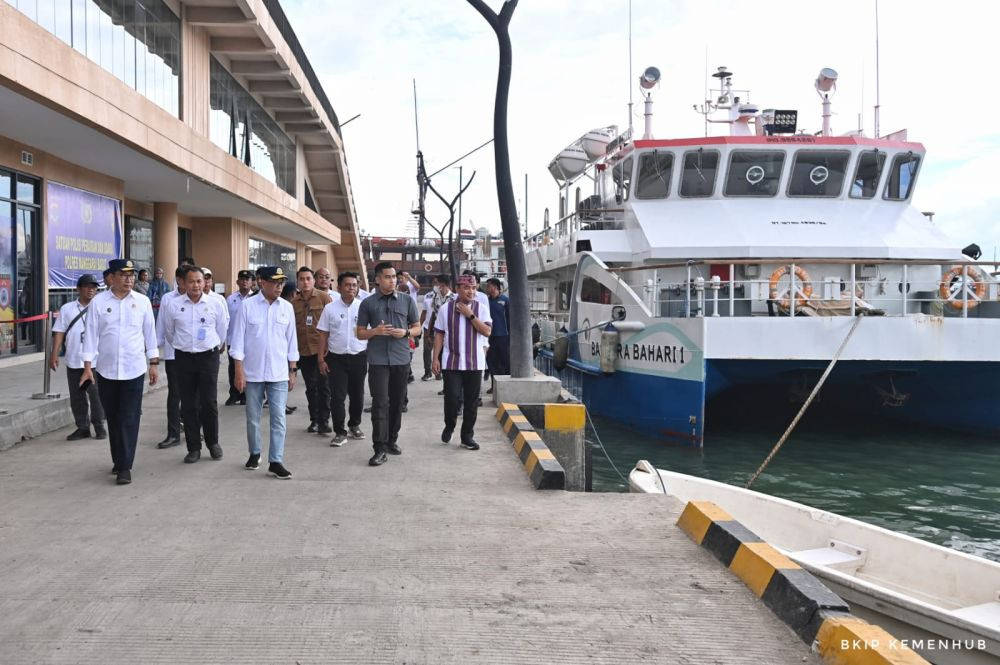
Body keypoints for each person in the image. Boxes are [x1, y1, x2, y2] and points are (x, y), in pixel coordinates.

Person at [79, 259, 159, 485]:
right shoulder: (98, 303)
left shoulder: (142, 302)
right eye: (123, 275)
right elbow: (91, 336)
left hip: (134, 370)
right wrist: (87, 367)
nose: (129, 279)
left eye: (131, 275)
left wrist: (153, 363)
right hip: (106, 371)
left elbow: (150, 334)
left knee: (130, 418)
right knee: (113, 417)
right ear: (110, 278)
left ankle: (125, 466)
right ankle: (119, 459)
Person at [229, 266, 298, 479]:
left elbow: (291, 341)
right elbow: (238, 340)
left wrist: (293, 370)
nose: (279, 286)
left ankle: (275, 461)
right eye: (275, 282)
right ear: (262, 282)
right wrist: (238, 371)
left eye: (282, 282)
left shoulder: (286, 308)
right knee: (253, 417)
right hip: (253, 372)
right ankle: (255, 452)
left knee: (278, 418)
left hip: (278, 372)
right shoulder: (247, 306)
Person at [161, 266, 229, 464]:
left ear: (205, 282)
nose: (196, 285)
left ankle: (213, 443)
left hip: (208, 357)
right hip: (184, 358)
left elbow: (222, 330)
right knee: (188, 404)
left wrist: (213, 346)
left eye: (200, 281)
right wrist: (184, 346)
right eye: (192, 281)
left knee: (209, 402)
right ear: (183, 283)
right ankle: (193, 448)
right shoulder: (174, 305)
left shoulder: (215, 303)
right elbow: (169, 332)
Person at [356, 261, 420, 467]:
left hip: (401, 359)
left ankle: (392, 440)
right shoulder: (367, 304)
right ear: (377, 279)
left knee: (397, 403)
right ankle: (379, 448)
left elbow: (417, 327)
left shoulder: (407, 301)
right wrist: (375, 331)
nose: (392, 280)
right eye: (387, 277)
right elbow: (359, 333)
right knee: (380, 403)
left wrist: (406, 332)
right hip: (378, 361)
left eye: (394, 277)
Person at [433, 274, 492, 450]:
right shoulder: (445, 309)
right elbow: (439, 334)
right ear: (457, 289)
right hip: (451, 362)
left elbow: (487, 331)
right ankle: (449, 425)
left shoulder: (481, 308)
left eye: (474, 288)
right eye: (467, 288)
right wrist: (435, 358)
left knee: (471, 402)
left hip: (475, 363)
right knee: (451, 399)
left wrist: (470, 315)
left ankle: (467, 436)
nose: (471, 291)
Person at [50, 273, 106, 441]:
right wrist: (54, 354)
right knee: (77, 396)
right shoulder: (67, 309)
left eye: (94, 287)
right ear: (78, 289)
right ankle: (82, 427)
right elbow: (59, 332)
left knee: (96, 395)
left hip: (95, 359)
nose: (91, 290)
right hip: (74, 358)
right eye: (88, 287)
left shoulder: (100, 307)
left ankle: (99, 426)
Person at [317, 271, 367, 447]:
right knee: (337, 397)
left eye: (354, 285)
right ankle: (340, 432)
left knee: (357, 394)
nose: (351, 288)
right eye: (347, 285)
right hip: (336, 358)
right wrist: (320, 359)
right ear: (339, 287)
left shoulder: (363, 307)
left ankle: (355, 425)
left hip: (358, 357)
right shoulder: (330, 308)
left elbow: (370, 332)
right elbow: (323, 334)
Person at [292, 267, 333, 434]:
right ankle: (314, 420)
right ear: (298, 282)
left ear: (314, 280)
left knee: (324, 386)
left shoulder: (324, 298)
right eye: (302, 279)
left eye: (308, 278)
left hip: (322, 350)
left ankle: (324, 421)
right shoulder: (293, 303)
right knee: (311, 387)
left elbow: (332, 323)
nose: (305, 282)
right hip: (304, 351)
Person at [154, 264, 189, 448]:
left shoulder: (199, 298)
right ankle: (173, 433)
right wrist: (155, 348)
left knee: (193, 396)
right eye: (186, 281)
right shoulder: (168, 299)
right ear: (178, 281)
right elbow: (161, 324)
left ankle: (194, 431)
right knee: (174, 395)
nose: (191, 285)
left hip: (194, 355)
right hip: (173, 355)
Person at [225, 269, 254, 405]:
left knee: (247, 368)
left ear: (251, 282)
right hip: (233, 339)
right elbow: (225, 321)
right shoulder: (230, 299)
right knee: (233, 368)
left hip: (250, 340)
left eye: (247, 279)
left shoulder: (255, 299)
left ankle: (246, 395)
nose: (244, 282)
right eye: (242, 279)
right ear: (237, 282)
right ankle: (234, 394)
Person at [484, 278, 510, 392]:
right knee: (491, 361)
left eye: (489, 286)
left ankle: (505, 386)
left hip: (503, 336)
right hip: (489, 337)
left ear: (495, 287)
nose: (487, 288)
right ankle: (494, 386)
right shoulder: (486, 301)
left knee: (504, 362)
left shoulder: (505, 301)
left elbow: (510, 319)